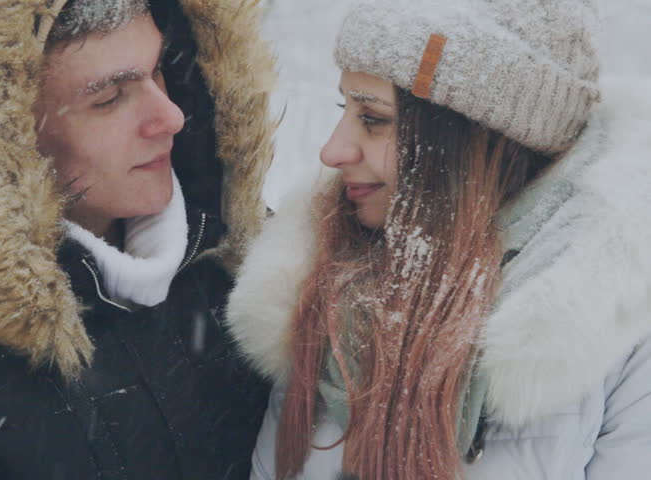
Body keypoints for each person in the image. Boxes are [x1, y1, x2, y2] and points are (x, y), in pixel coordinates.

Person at [0, 0, 277, 478]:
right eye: (109, 98)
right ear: (5, 139)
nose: (170, 117)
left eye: (159, 70)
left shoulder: (245, 269)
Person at [226, 0, 651, 478]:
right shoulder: (317, 277)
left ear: (471, 140)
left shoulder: (621, 332)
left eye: (374, 119)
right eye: (344, 107)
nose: (331, 150)